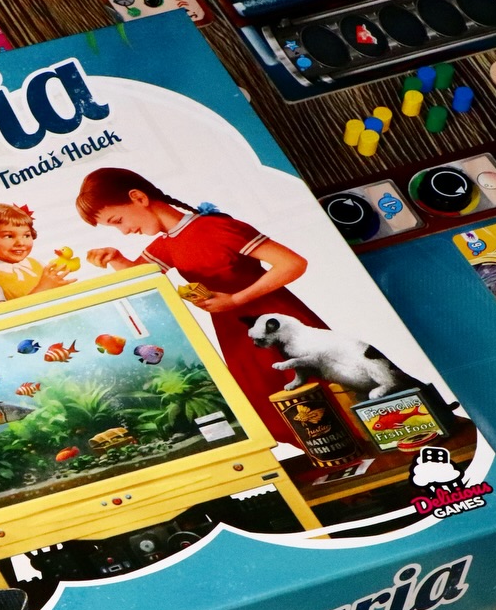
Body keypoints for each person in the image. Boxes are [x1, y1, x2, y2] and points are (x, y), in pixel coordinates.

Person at [75, 166, 328, 447]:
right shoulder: (167, 244)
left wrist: (236, 299)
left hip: (277, 321)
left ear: (138, 198)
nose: (124, 231)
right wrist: (116, 258)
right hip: (235, 333)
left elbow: (292, 263)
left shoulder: (215, 227)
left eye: (119, 220)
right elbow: (140, 279)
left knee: (313, 388)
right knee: (266, 397)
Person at [0, 203, 74, 306]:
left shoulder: (35, 263)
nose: (20, 243)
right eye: (9, 236)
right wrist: (42, 289)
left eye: (26, 235)